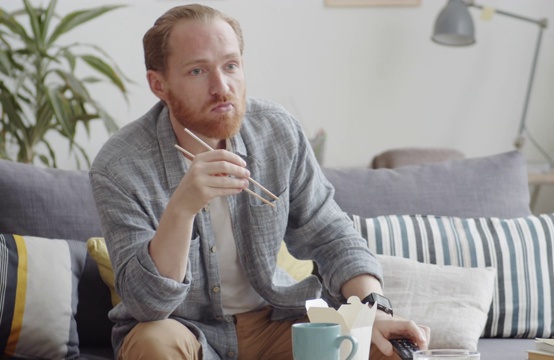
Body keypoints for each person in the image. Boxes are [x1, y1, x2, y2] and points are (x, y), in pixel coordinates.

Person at [90, 4, 429, 359]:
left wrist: (372, 310)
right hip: (184, 328)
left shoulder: (276, 130)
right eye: (197, 71)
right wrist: (182, 207)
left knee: (388, 350)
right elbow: (148, 305)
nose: (221, 87)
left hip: (279, 321)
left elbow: (329, 232)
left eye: (231, 65)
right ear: (159, 84)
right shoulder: (119, 165)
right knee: (154, 343)